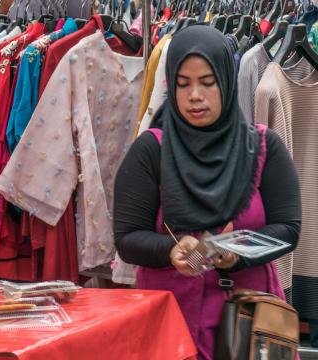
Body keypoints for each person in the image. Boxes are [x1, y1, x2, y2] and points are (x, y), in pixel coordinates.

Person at [113, 26, 301, 359]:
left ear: (226, 81)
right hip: (170, 322)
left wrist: (237, 252)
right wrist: (170, 249)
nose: (194, 96)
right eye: (183, 84)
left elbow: (288, 229)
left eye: (207, 82)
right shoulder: (151, 151)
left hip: (249, 325)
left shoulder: (262, 147)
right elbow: (127, 238)